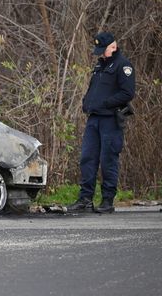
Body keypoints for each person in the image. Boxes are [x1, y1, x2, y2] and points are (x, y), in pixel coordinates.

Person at [67, 32, 135, 213]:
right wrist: (87, 102)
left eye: (102, 50)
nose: (99, 54)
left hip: (110, 120)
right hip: (94, 118)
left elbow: (128, 93)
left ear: (112, 46)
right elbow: (94, 88)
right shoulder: (100, 65)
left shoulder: (123, 65)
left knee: (108, 160)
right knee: (87, 158)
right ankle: (85, 199)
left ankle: (107, 200)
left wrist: (106, 103)